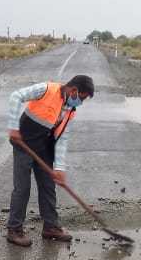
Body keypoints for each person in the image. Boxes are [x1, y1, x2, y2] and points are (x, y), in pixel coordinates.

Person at [5, 75, 94, 247]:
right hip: (23, 142)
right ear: (74, 90)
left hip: (44, 147)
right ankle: (14, 229)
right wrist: (13, 127)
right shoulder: (46, 89)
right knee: (22, 187)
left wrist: (59, 168)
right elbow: (16, 96)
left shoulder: (69, 110)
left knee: (48, 186)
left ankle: (50, 227)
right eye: (81, 98)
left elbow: (62, 138)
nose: (81, 102)